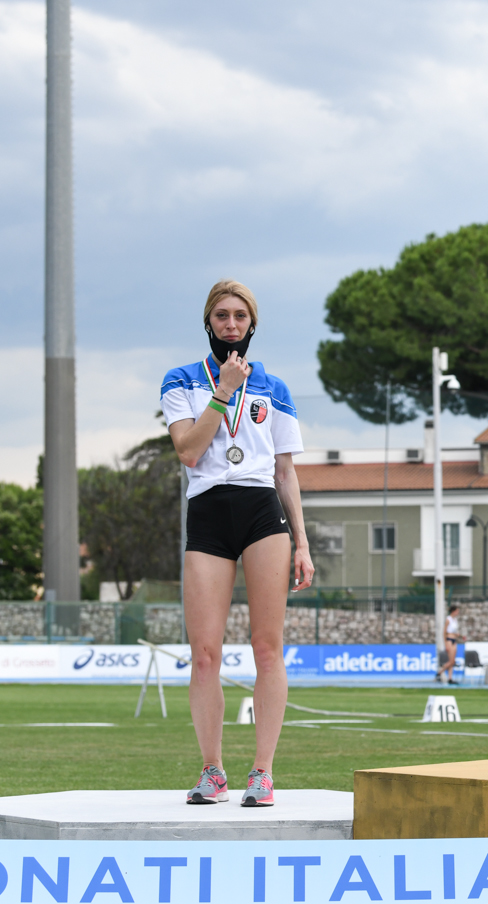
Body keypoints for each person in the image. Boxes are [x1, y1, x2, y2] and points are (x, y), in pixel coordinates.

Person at [163, 279, 312, 808]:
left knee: (267, 649)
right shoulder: (181, 380)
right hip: (207, 512)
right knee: (204, 654)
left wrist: (302, 542)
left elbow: (285, 471)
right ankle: (212, 771)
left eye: (240, 317)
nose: (231, 325)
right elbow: (187, 450)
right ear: (209, 322)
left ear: (252, 324)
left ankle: (263, 772)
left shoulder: (275, 387)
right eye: (222, 316)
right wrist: (222, 391)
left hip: (259, 513)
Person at [439, 604, 465, 684]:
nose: (458, 612)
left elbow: (455, 632)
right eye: (457, 611)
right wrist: (446, 644)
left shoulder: (455, 620)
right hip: (449, 640)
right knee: (451, 661)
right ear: (453, 611)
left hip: (454, 639)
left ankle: (450, 678)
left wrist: (460, 636)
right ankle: (439, 672)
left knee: (452, 661)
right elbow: (444, 632)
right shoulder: (448, 619)